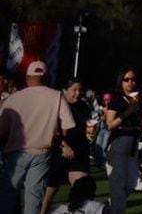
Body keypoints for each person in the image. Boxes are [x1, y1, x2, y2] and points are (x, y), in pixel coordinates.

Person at [0, 62, 77, 214]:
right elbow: (68, 126)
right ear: (46, 77)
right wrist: (58, 138)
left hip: (16, 152)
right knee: (34, 200)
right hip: (42, 152)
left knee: (7, 197)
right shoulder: (56, 96)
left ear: (27, 78)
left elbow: (2, 130)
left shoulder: (14, 98)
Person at [41, 78, 91, 214]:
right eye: (74, 90)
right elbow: (52, 130)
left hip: (79, 153)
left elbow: (86, 126)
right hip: (59, 153)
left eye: (80, 90)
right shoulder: (56, 105)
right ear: (64, 91)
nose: (78, 93)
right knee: (49, 194)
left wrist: (91, 133)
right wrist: (64, 146)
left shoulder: (83, 106)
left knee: (82, 191)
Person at [104, 67, 142, 214]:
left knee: (133, 182)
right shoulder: (117, 99)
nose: (130, 82)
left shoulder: (138, 98)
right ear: (121, 81)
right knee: (118, 184)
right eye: (126, 79)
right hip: (119, 142)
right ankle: (116, 210)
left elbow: (141, 122)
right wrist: (127, 112)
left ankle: (109, 207)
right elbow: (109, 124)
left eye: (133, 79)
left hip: (133, 143)